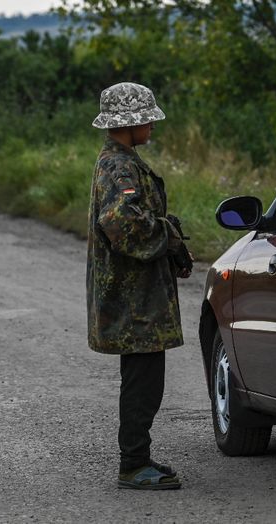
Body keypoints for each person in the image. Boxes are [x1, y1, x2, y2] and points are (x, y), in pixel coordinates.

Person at [86, 82, 192, 490]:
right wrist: (170, 237)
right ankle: (133, 464)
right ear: (128, 123)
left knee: (144, 379)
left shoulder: (121, 161)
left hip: (136, 294)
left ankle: (137, 458)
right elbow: (123, 225)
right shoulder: (120, 167)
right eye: (146, 118)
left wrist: (168, 239)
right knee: (142, 383)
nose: (152, 125)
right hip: (133, 298)